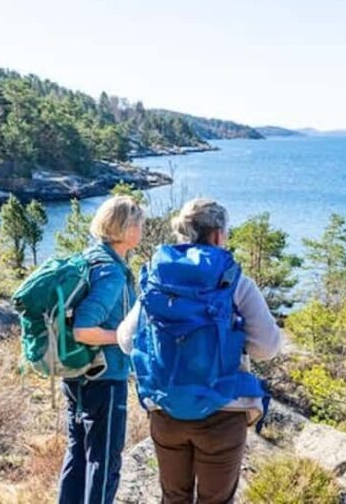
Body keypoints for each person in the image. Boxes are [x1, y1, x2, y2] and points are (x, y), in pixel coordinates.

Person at [117, 198, 281, 504]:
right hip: (223, 411)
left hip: (166, 410)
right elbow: (268, 348)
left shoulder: (158, 280)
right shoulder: (235, 282)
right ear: (218, 235)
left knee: (173, 498)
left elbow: (126, 339)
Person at [58, 195, 145, 504]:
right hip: (104, 379)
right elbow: (84, 329)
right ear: (125, 228)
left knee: (77, 454)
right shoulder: (110, 272)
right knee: (104, 461)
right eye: (139, 222)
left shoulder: (91, 257)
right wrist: (123, 338)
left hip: (77, 375)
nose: (142, 228)